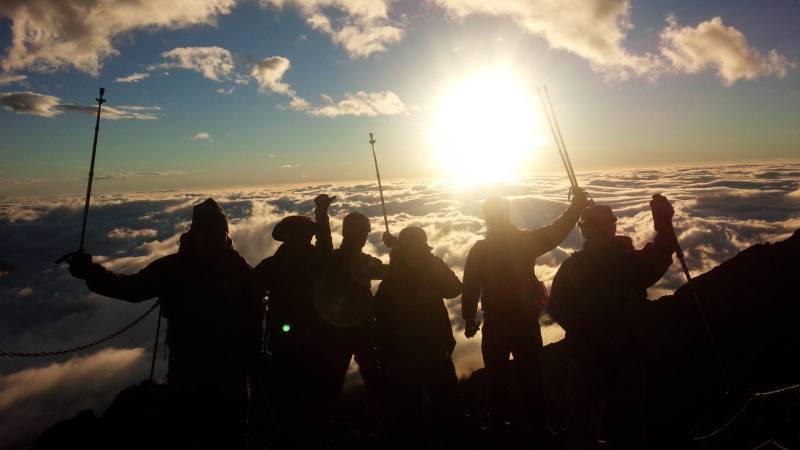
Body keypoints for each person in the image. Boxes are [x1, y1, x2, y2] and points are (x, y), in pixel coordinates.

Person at [66, 198, 261, 450]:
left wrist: (90, 272)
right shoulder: (238, 269)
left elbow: (131, 289)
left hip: (194, 371)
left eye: (217, 233)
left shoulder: (178, 268)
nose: (213, 238)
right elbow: (256, 318)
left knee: (192, 432)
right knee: (226, 434)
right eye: (211, 232)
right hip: (224, 374)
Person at [547, 195, 676, 450]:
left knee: (582, 424)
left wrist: (582, 330)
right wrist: (663, 223)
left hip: (585, 356)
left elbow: (556, 307)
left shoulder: (572, 267)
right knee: (627, 425)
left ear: (585, 230)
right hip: (626, 355)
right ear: (610, 227)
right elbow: (660, 256)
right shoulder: (625, 262)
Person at [461, 190, 591, 426]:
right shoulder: (523, 242)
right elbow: (556, 233)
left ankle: (498, 426)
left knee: (497, 380)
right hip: (524, 322)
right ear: (508, 215)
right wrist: (576, 208)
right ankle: (538, 428)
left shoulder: (480, 250)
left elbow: (470, 285)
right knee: (531, 378)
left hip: (496, 323)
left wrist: (469, 318)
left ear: (487, 217)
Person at [252, 194, 336, 449]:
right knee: (297, 399)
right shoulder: (307, 262)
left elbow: (247, 290)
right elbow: (247, 291)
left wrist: (321, 212)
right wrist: (321, 212)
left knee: (305, 398)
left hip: (298, 341)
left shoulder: (274, 265)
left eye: (305, 235)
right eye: (300, 235)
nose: (304, 240)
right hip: (299, 342)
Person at [374, 226, 463, 448]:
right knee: (447, 404)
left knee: (409, 411)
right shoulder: (430, 271)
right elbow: (454, 288)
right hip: (435, 349)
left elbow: (380, 314)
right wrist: (430, 259)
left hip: (402, 354)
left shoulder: (392, 278)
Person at [316, 212, 390, 417]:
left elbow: (391, 272)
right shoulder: (359, 261)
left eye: (364, 233)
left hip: (340, 328)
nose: (363, 238)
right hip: (355, 328)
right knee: (370, 376)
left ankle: (325, 424)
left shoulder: (334, 259)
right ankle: (383, 419)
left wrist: (321, 214)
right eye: (362, 233)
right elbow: (392, 272)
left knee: (335, 379)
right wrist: (396, 248)